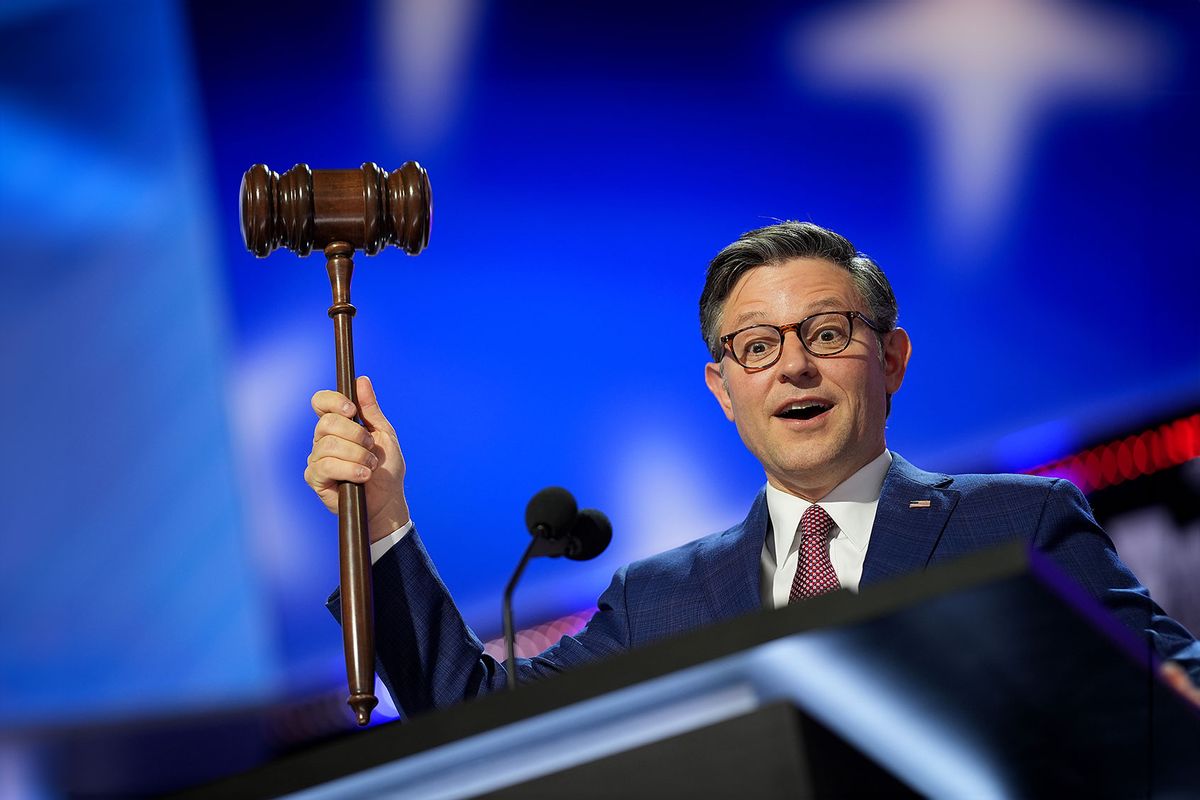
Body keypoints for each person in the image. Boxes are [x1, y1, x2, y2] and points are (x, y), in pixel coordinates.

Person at [304, 221, 1200, 717]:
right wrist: (381, 518)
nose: (794, 368)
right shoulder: (658, 600)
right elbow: (473, 714)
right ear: (724, 390)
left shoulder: (1023, 522)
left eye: (827, 334)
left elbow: (1176, 699)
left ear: (890, 362)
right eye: (758, 347)